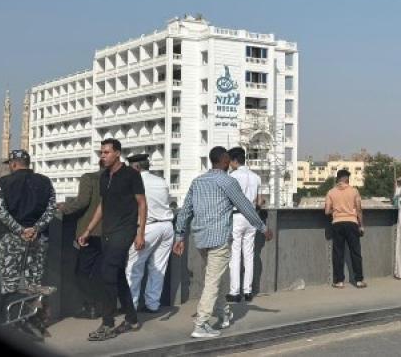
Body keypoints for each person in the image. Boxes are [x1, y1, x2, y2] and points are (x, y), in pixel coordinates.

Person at [172, 146, 273, 339]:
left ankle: (224, 312)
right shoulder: (228, 182)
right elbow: (246, 207)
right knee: (212, 280)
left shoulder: (198, 181)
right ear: (225, 160)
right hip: (219, 239)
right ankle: (201, 324)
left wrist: (179, 236)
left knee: (213, 277)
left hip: (200, 238)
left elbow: (185, 211)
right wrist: (263, 228)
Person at [78, 139, 147, 341]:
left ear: (117, 153)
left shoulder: (131, 175)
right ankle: (132, 319)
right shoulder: (104, 177)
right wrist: (88, 230)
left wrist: (140, 233)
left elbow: (142, 204)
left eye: (106, 152)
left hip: (124, 231)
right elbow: (103, 205)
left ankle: (108, 323)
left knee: (106, 272)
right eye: (101, 153)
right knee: (117, 275)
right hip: (107, 232)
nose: (103, 156)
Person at [0, 150, 57, 335]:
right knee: (34, 283)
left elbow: (1, 211)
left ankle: (11, 322)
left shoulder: (3, 182)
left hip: (13, 240)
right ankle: (33, 320)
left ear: (14, 164)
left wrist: (20, 230)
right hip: (39, 239)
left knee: (10, 283)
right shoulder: (45, 181)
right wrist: (35, 229)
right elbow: (51, 208)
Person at [124, 154, 174, 314]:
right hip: (167, 226)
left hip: (148, 228)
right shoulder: (161, 181)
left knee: (134, 267)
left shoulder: (135, 181)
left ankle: (130, 305)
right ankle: (152, 304)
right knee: (158, 268)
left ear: (136, 167)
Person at [59, 162, 104, 319]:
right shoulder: (118, 180)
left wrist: (64, 207)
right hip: (111, 233)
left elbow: (82, 202)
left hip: (90, 233)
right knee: (100, 272)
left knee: (81, 272)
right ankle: (102, 306)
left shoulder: (89, 178)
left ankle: (91, 306)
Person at [226, 147, 263, 303]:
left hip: (236, 216)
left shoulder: (232, 176)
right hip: (252, 217)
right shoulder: (256, 177)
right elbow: (259, 201)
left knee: (235, 254)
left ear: (234, 161)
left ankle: (234, 292)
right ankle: (248, 291)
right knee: (249, 254)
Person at [325, 169, 366, 288]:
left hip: (337, 223)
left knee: (338, 253)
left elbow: (327, 211)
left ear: (338, 179)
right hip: (352, 223)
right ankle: (358, 280)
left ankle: (339, 281)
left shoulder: (331, 192)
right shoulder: (354, 191)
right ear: (347, 179)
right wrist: (361, 225)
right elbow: (359, 210)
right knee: (355, 252)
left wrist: (337, 210)